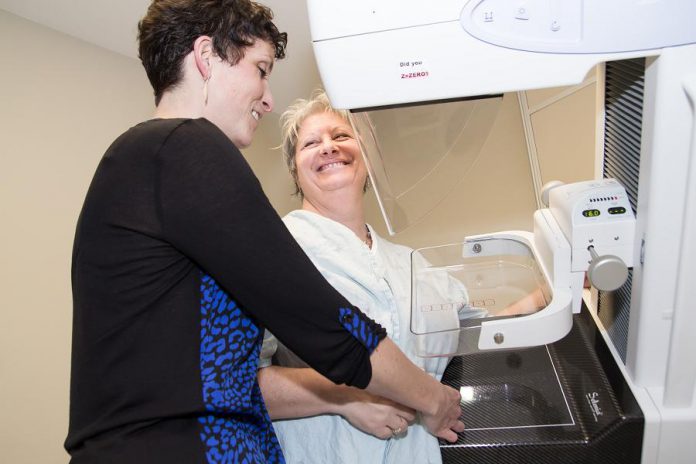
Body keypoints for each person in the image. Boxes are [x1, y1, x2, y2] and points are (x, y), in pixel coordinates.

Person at [64, 1, 463, 463]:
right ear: (206, 56)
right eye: (260, 69)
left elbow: (215, 369)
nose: (268, 98)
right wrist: (433, 399)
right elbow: (326, 323)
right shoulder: (184, 146)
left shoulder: (150, 161)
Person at [257, 90, 471, 464]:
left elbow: (476, 327)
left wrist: (553, 291)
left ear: (368, 157)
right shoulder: (274, 250)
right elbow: (231, 384)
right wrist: (344, 396)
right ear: (295, 170)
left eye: (341, 136)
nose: (328, 148)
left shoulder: (410, 264)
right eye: (311, 143)